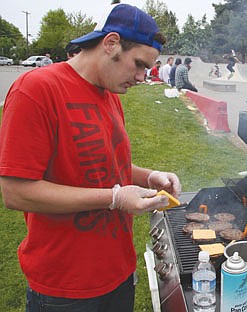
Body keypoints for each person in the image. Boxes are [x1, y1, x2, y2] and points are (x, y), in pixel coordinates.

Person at [0, 3, 181, 312]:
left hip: (119, 272)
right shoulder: (37, 89)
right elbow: (16, 192)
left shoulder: (110, 92)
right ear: (111, 43)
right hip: (65, 287)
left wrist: (149, 176)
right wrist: (114, 198)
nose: (141, 77)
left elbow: (107, 163)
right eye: (138, 64)